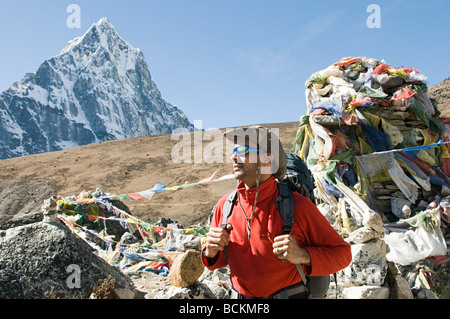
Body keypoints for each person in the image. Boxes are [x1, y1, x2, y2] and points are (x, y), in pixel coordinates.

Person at [201, 125, 352, 299]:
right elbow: (216, 262)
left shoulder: (298, 206)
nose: (233, 156)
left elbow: (343, 254)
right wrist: (210, 252)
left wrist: (304, 255)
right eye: (235, 150)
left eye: (242, 150)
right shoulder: (225, 206)